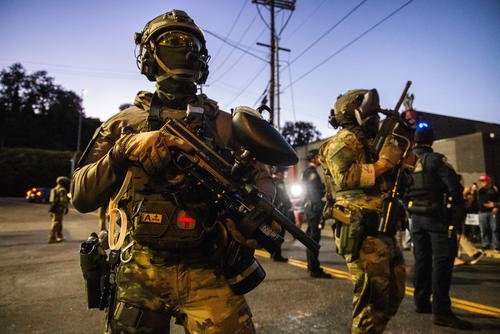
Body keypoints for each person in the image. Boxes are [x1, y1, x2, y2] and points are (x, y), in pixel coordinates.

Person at [71, 9, 277, 333]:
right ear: (149, 58)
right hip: (139, 270)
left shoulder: (224, 124)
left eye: (189, 42)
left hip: (208, 265)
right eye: (171, 40)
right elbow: (81, 195)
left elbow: (263, 181)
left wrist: (249, 217)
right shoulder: (124, 123)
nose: (183, 48)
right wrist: (121, 152)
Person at [319, 89, 410, 333]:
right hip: (361, 229)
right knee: (372, 303)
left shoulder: (370, 142)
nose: (374, 118)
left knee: (393, 292)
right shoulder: (343, 140)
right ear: (350, 111)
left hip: (383, 227)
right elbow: (345, 178)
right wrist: (382, 165)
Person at [405, 123, 473, 330]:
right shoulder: (435, 160)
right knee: (442, 262)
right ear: (431, 140)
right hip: (435, 217)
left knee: (422, 261)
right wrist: (457, 215)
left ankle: (421, 302)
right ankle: (442, 311)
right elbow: (454, 187)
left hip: (415, 218)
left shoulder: (408, 162)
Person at [302, 149, 331, 278]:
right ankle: (314, 268)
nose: (320, 158)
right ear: (313, 158)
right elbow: (313, 192)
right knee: (314, 238)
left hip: (311, 207)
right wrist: (320, 207)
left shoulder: (309, 172)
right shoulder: (311, 173)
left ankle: (312, 266)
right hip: (314, 208)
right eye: (318, 156)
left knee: (311, 237)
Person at [454, 175, 485, 266]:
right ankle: (457, 256)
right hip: (458, 214)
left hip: (456, 215)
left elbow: (464, 205)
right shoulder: (460, 190)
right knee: (456, 235)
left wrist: (468, 197)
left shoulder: (460, 190)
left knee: (457, 234)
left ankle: (474, 252)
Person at [270, 166, 292, 262]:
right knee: (280, 233)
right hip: (280, 212)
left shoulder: (271, 181)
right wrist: (289, 204)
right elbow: (284, 197)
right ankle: (276, 255)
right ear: (279, 173)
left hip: (272, 211)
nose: (285, 175)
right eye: (284, 173)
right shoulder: (279, 183)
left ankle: (273, 252)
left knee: (274, 232)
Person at [477, 174, 499, 251]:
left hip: (491, 212)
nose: (482, 183)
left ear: (488, 181)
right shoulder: (480, 190)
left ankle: (495, 245)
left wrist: (496, 206)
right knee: (483, 229)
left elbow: (497, 200)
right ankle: (485, 244)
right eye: (481, 181)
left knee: (494, 228)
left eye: (484, 181)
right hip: (482, 212)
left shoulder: (494, 189)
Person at [48, 176, 70, 243]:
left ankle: (59, 236)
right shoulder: (62, 190)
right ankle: (52, 237)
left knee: (58, 223)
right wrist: (66, 207)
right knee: (56, 222)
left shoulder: (54, 189)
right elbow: (63, 200)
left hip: (53, 208)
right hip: (58, 208)